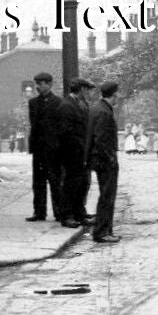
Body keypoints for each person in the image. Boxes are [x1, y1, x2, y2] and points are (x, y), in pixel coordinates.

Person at [87, 80, 122, 244]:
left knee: (105, 195)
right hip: (105, 161)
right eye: (117, 94)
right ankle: (102, 232)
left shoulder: (96, 108)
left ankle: (104, 230)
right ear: (114, 95)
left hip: (99, 159)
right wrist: (111, 158)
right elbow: (101, 139)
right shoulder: (105, 112)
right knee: (107, 196)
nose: (118, 97)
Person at [57, 78, 95, 229]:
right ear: (80, 90)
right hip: (71, 152)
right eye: (87, 90)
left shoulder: (81, 104)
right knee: (71, 184)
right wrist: (80, 146)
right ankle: (67, 216)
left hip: (82, 152)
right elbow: (66, 132)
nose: (88, 93)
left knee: (82, 184)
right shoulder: (66, 106)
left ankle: (80, 213)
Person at [27, 72, 64, 222]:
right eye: (37, 83)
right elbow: (33, 126)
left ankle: (59, 212)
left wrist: (58, 146)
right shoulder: (33, 103)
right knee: (38, 182)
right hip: (38, 149)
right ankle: (39, 212)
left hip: (53, 149)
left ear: (49, 84)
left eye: (41, 84)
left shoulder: (59, 102)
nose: (38, 87)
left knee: (55, 181)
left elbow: (60, 127)